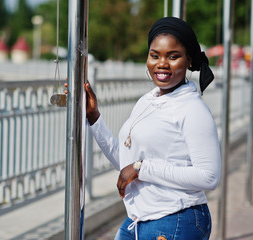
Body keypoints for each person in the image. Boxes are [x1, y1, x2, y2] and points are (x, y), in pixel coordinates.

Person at [68, 17, 221, 240]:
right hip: (138, 220)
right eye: (155, 55)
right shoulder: (148, 100)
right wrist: (94, 118)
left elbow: (209, 177)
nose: (162, 63)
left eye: (173, 56)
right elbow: (126, 162)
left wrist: (142, 168)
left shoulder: (193, 109)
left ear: (189, 61)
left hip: (176, 218)